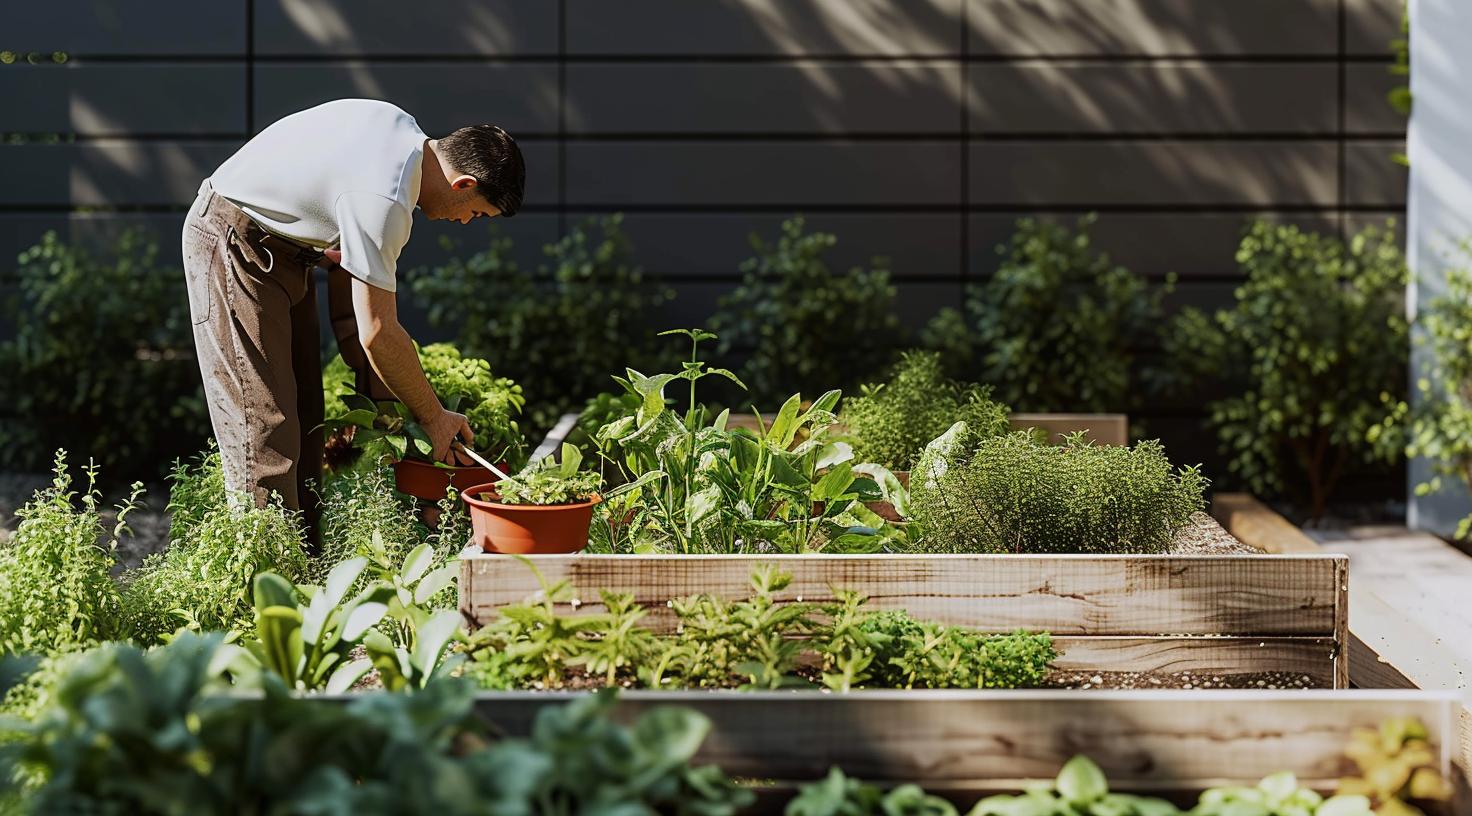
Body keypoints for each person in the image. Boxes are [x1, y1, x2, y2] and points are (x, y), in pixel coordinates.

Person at [181, 98, 525, 547]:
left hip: (289, 251)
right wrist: (434, 416)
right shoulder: (383, 200)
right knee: (264, 428)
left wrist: (385, 404)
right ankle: (264, 599)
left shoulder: (401, 132)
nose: (465, 221)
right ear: (463, 183)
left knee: (304, 417)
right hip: (234, 243)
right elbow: (378, 332)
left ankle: (304, 572)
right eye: (477, 212)